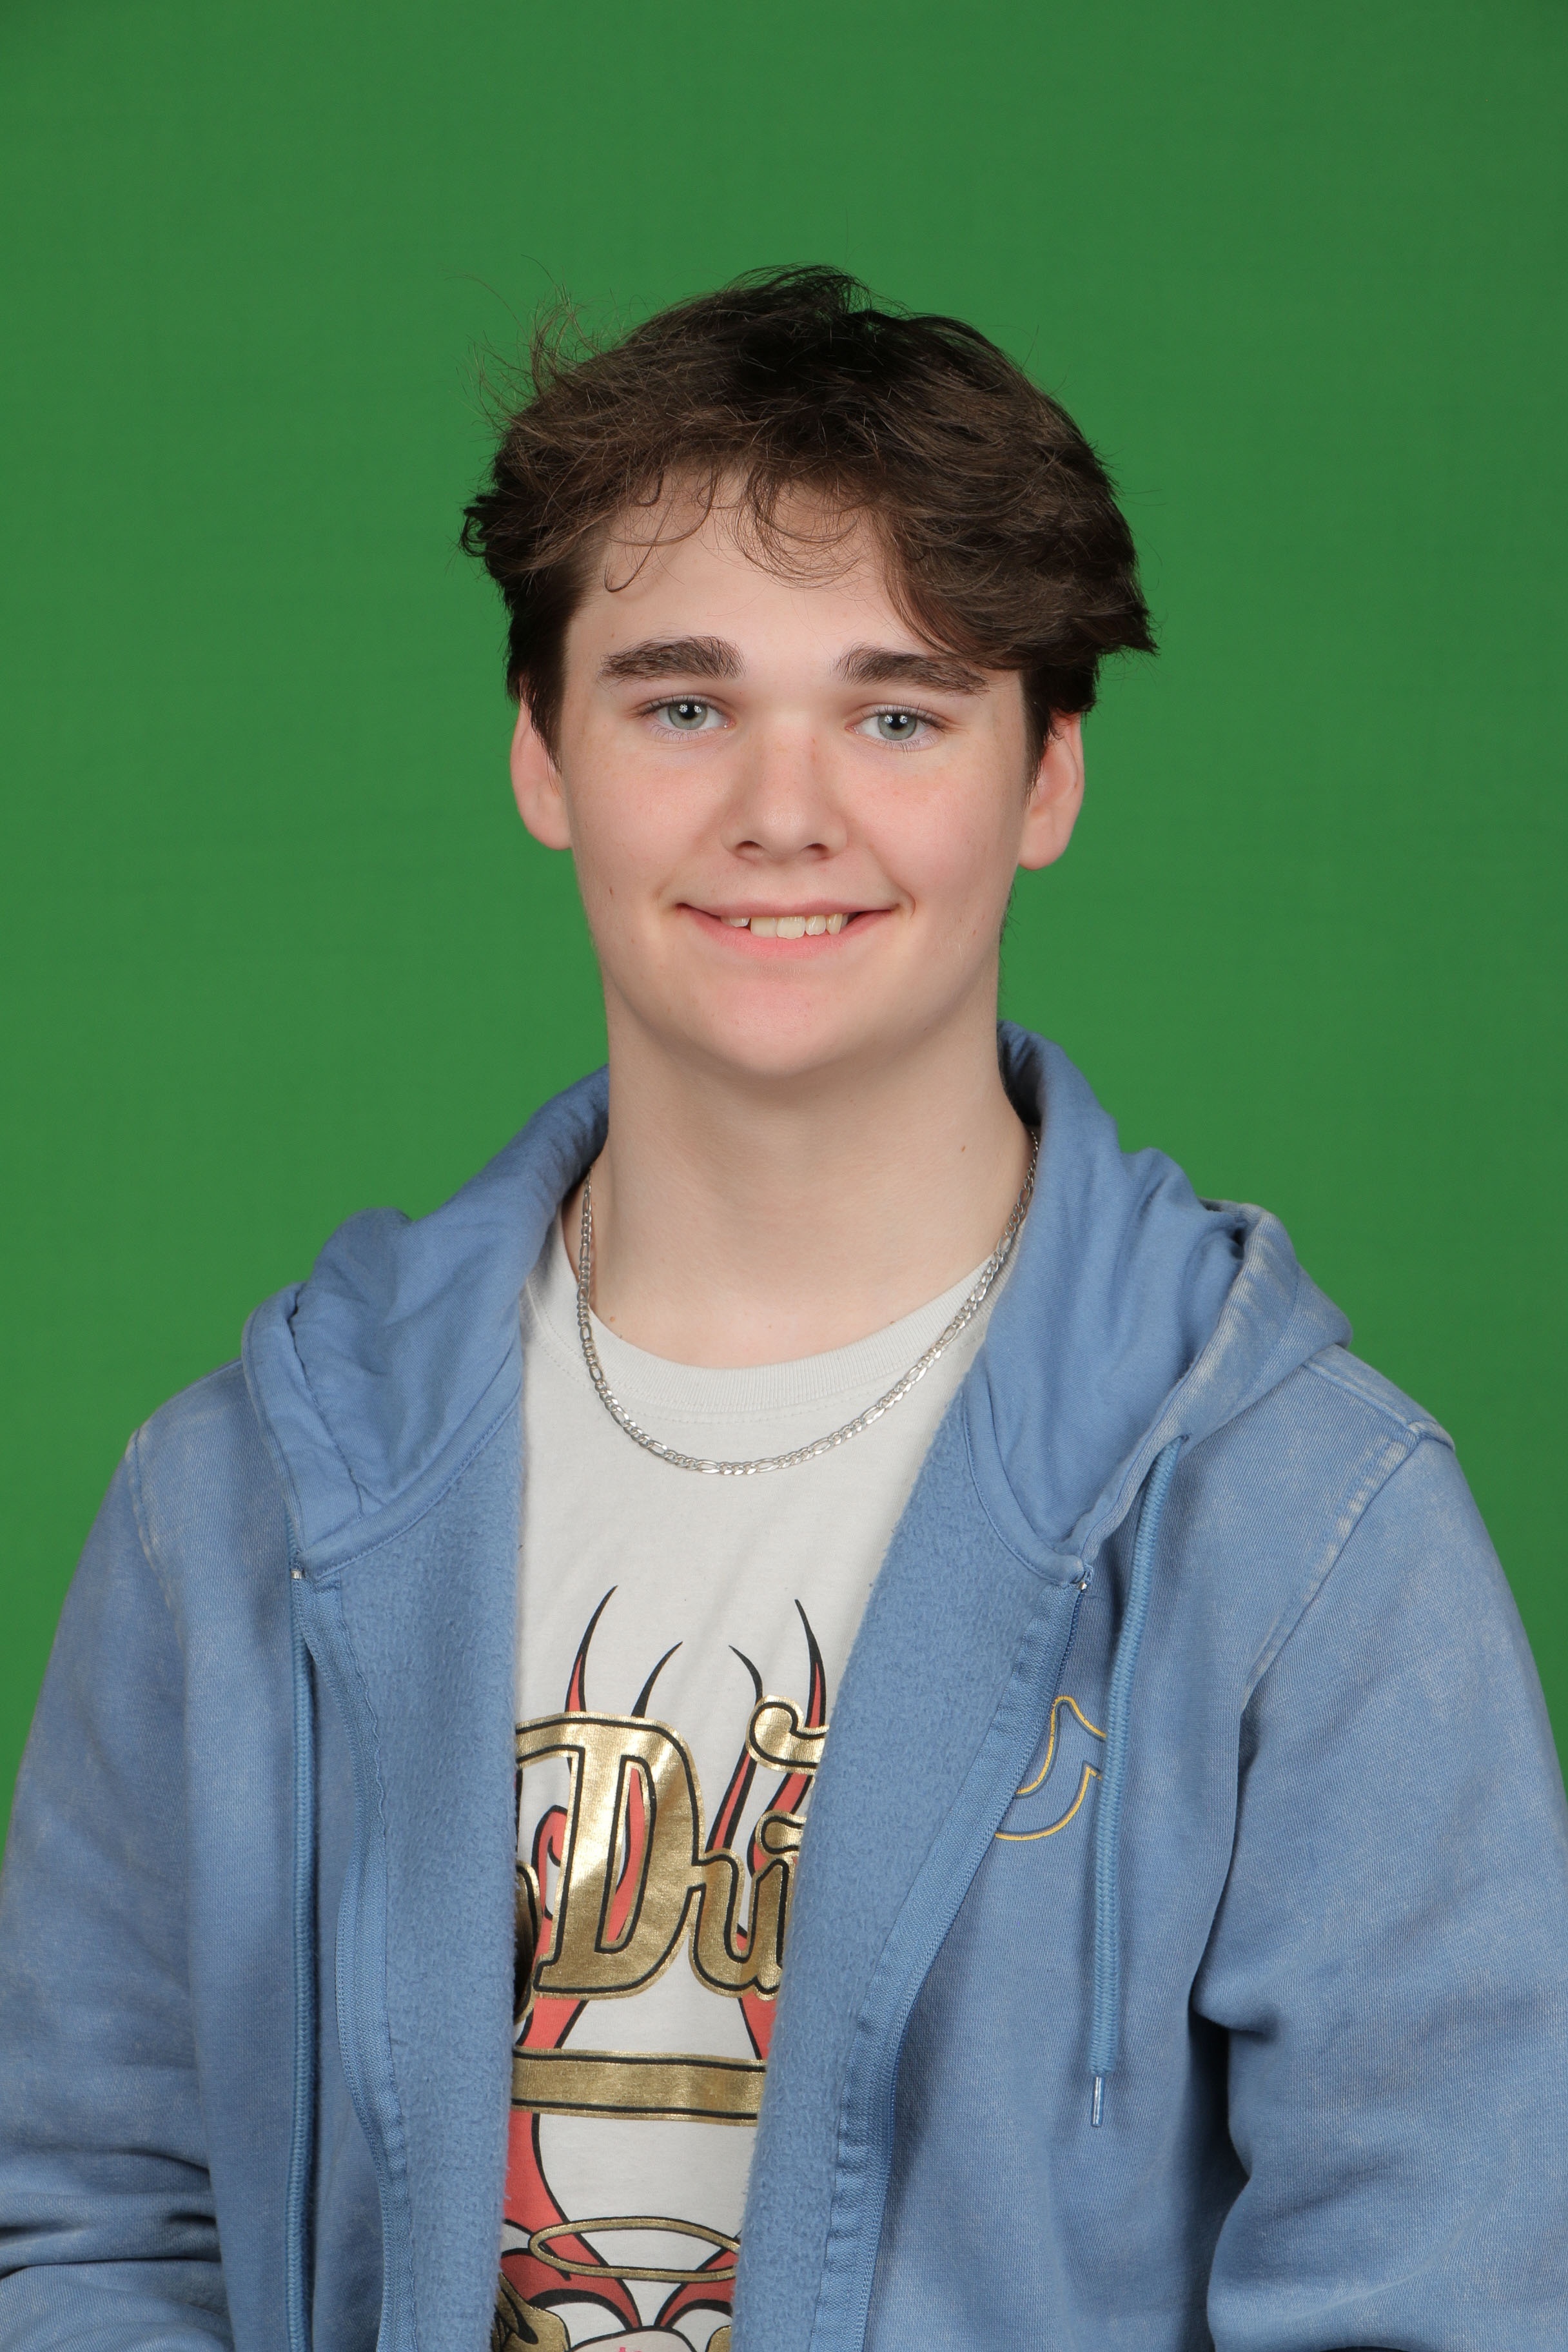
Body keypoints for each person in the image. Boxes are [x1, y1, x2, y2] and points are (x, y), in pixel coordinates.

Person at [1, 268, 1564, 2352]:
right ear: (543, 753)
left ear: (1048, 777)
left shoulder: (1312, 1530)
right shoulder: (238, 1506)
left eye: (898, 713)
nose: (782, 810)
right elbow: (91, 2228)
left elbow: (1444, 2295)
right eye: (683, 704)